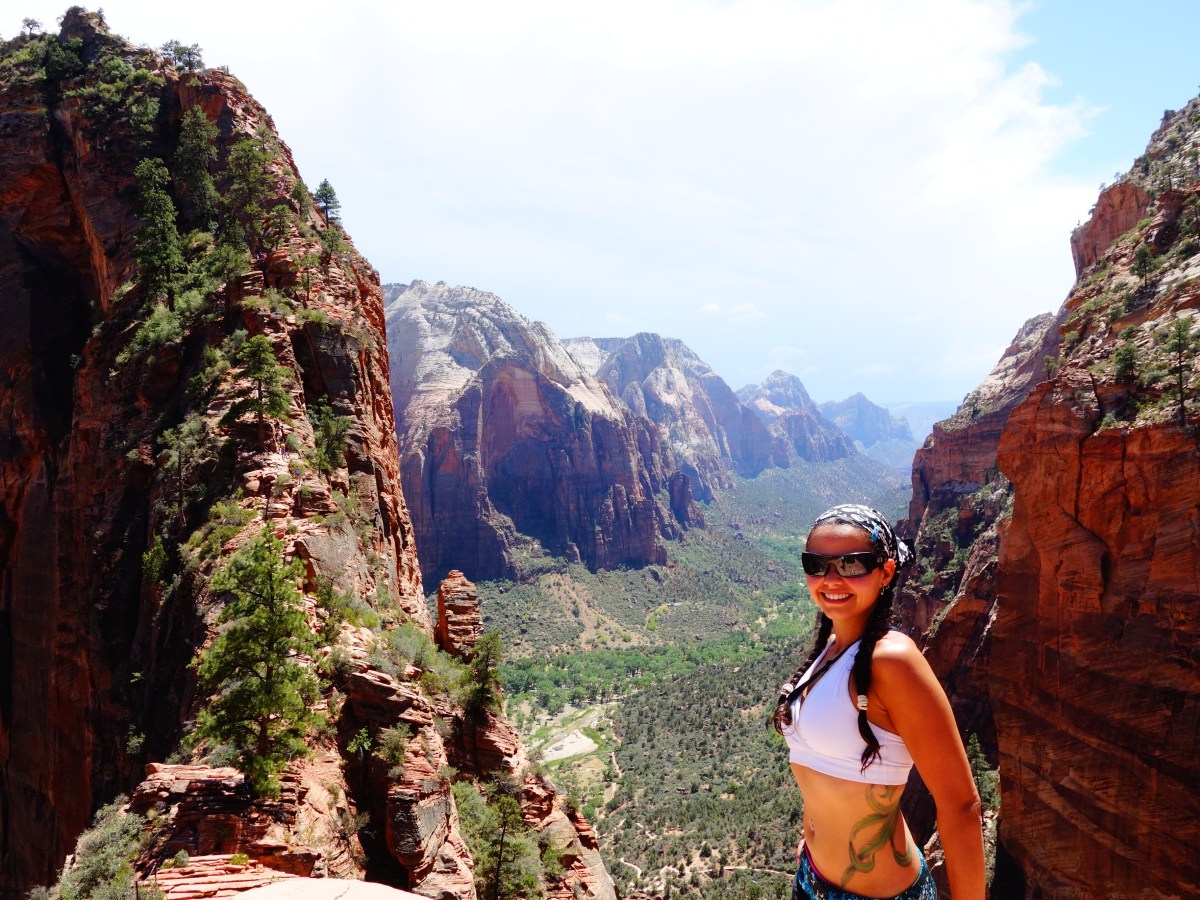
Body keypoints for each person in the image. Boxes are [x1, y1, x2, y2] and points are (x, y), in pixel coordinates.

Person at [773, 504, 984, 900]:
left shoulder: (892, 660)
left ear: (886, 572)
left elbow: (962, 805)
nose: (831, 578)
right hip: (811, 879)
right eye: (816, 564)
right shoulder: (832, 645)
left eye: (852, 564)